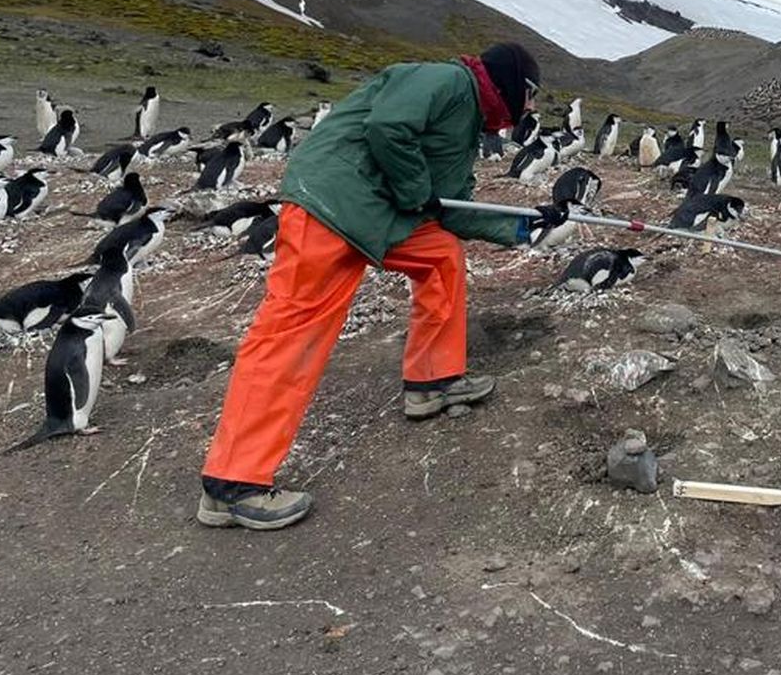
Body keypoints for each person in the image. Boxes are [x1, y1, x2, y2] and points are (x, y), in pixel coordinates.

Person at [196, 43, 542, 531]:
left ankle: (432, 381)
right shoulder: (446, 80)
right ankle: (232, 483)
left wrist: (529, 226)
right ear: (510, 81)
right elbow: (388, 128)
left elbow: (450, 208)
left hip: (374, 212)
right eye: (531, 93)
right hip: (330, 204)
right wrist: (415, 191)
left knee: (441, 254)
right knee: (292, 333)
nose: (532, 106)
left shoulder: (469, 124)